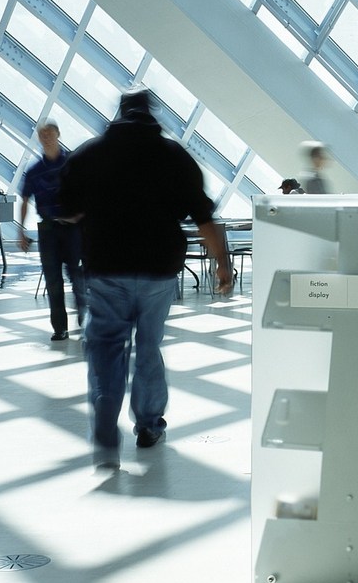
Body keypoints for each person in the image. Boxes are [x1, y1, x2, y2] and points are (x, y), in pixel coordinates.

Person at [61, 90, 232, 468]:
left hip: (106, 267)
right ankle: (149, 424)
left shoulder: (90, 153)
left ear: (119, 115)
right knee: (149, 345)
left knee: (106, 348)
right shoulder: (173, 156)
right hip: (158, 269)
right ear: (152, 115)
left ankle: (106, 434)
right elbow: (203, 217)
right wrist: (222, 263)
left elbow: (68, 209)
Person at [20, 121, 85, 343]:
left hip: (73, 227)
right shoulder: (35, 170)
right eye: (42, 135)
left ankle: (84, 315)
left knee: (77, 274)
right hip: (48, 228)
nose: (46, 138)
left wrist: (82, 215)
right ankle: (60, 328)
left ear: (58, 134)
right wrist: (20, 230)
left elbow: (89, 190)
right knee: (53, 279)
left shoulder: (72, 163)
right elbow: (25, 198)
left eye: (49, 134)